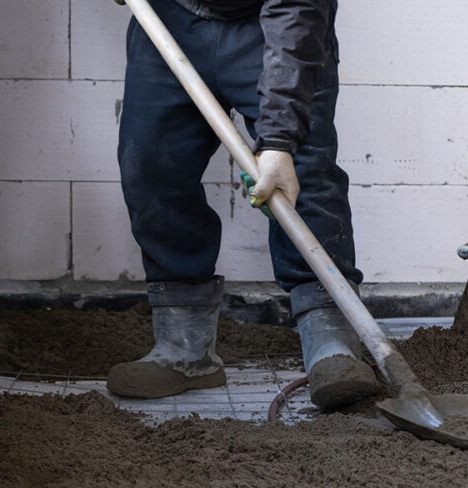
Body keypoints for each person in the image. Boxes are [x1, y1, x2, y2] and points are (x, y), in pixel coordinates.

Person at [107, 0, 380, 409]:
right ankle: (183, 345)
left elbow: (297, 10)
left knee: (303, 170)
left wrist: (278, 143)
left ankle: (332, 342)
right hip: (172, 12)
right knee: (150, 164)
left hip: (278, 21)